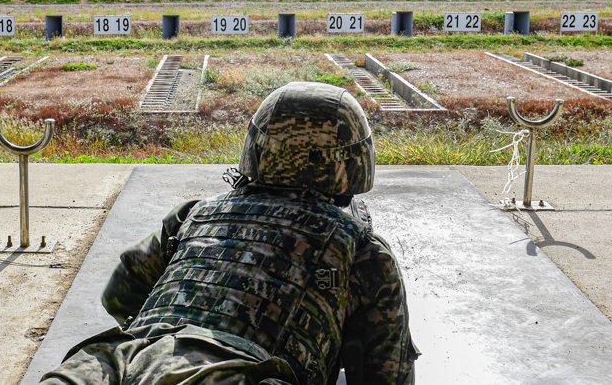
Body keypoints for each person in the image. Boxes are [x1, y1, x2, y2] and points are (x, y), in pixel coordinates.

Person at [41, 81, 418, 385]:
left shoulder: (196, 214)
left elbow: (120, 292)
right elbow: (387, 375)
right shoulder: (362, 250)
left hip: (118, 360)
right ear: (354, 162)